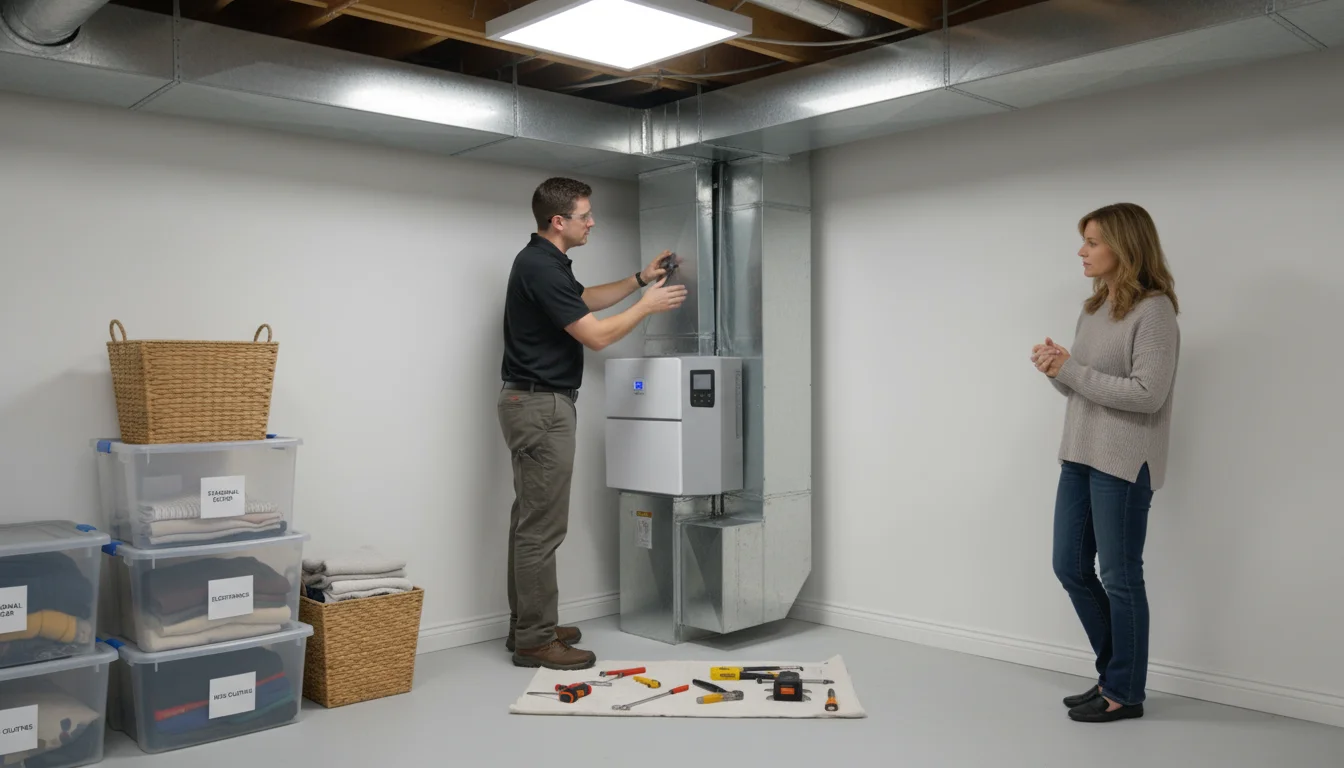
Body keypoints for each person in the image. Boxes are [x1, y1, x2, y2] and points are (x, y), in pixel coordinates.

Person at [498, 177, 688, 670]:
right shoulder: (539, 266)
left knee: (529, 523)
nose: (592, 222)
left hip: (536, 404)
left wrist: (638, 281)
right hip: (542, 407)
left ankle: (529, 625)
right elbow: (597, 337)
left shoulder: (545, 263)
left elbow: (582, 299)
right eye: (586, 215)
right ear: (559, 221)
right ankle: (536, 640)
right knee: (541, 529)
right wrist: (646, 308)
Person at [1031, 202, 1180, 723]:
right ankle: (1114, 675)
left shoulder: (1155, 310)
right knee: (1069, 566)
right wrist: (1057, 369)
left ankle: (1124, 692)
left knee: (1119, 576)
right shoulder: (1093, 308)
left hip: (1124, 460)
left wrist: (1072, 370)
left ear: (1125, 245)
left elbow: (1147, 394)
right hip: (1079, 452)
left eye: (1092, 241)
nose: (1082, 251)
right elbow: (1084, 386)